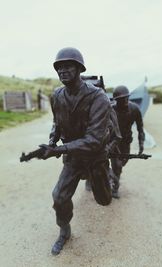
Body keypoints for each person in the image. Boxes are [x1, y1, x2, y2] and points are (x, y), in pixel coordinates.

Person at [40, 47, 114, 255]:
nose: (62, 71)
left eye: (68, 66)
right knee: (59, 196)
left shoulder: (98, 97)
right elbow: (58, 122)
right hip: (73, 158)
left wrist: (59, 149)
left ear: (79, 68)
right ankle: (64, 231)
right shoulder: (57, 95)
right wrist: (52, 141)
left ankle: (96, 179)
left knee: (104, 200)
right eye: (59, 68)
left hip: (95, 156)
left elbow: (93, 140)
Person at [111, 85, 145, 198]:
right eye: (121, 99)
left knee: (122, 163)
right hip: (113, 142)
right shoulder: (111, 110)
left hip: (126, 142)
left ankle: (110, 174)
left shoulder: (135, 109)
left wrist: (141, 144)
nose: (125, 101)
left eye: (126, 98)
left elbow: (140, 128)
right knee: (117, 165)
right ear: (116, 100)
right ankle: (114, 188)